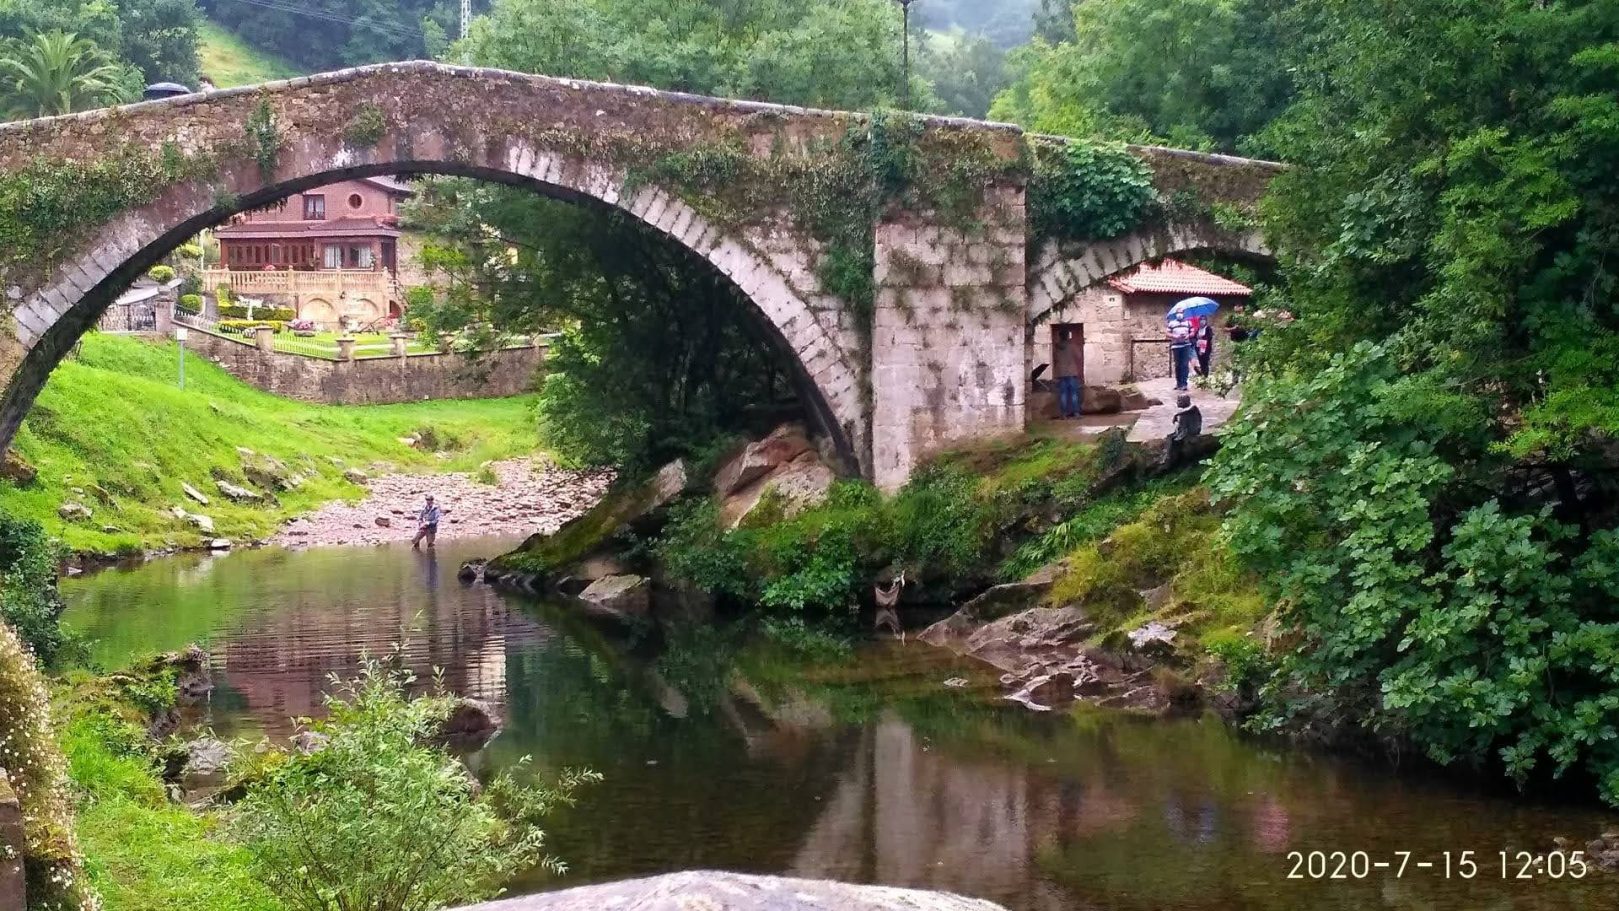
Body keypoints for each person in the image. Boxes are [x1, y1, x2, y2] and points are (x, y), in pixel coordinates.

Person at [1161, 394, 1203, 469]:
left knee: (1176, 441)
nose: (1177, 402)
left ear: (1185, 401)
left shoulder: (1192, 409)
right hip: (1188, 430)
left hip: (1192, 431)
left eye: (1179, 401)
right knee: (1171, 438)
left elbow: (1184, 427)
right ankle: (1167, 457)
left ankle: (1170, 460)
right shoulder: (1186, 412)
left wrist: (1177, 415)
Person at [1053, 329, 1082, 419]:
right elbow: (1079, 356)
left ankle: (1064, 414)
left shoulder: (1056, 347)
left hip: (1061, 373)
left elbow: (1055, 358)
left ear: (1060, 336)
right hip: (1072, 372)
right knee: (1074, 394)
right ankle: (1076, 413)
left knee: (1063, 394)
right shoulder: (1072, 346)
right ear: (1067, 336)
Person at [1166, 310, 1195, 391]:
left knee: (1185, 365)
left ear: (1183, 313)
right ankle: (1178, 383)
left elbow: (1193, 332)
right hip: (1176, 346)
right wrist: (1175, 336)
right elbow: (1167, 333)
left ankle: (1184, 383)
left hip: (1186, 345)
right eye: (1178, 313)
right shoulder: (1172, 323)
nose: (1179, 314)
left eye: (1181, 312)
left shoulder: (1188, 323)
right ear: (1176, 314)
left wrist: (1188, 335)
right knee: (1178, 365)